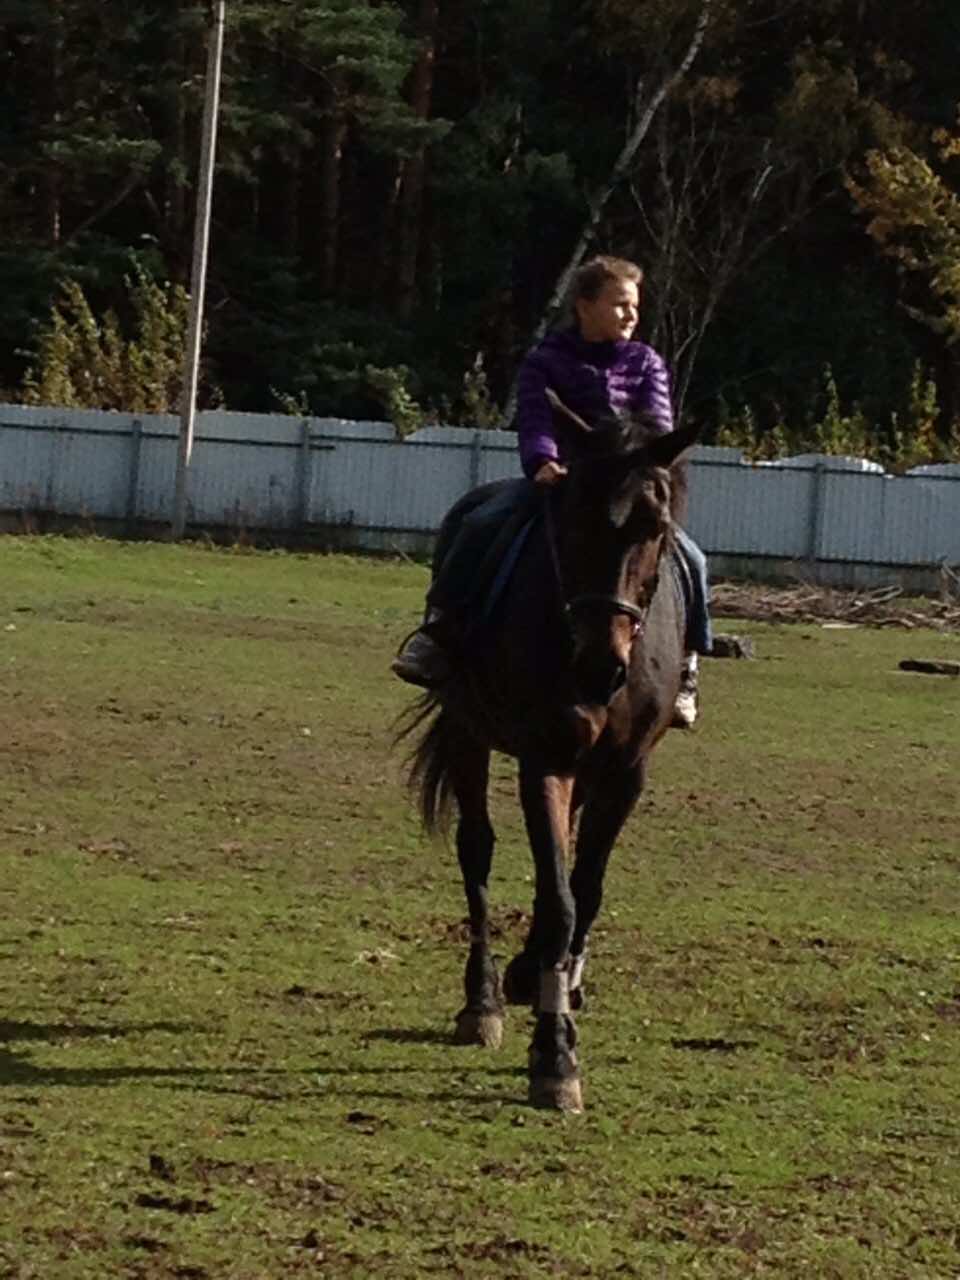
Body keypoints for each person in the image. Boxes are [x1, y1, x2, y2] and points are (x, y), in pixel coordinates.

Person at [392, 254, 711, 727]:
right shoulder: (546, 360)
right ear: (584, 305)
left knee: (693, 559)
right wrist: (543, 462)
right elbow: (536, 420)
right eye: (620, 304)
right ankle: (438, 635)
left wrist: (644, 467)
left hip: (626, 487)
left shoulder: (646, 362)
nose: (631, 314)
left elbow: (656, 426)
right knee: (478, 522)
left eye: (634, 306)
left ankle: (686, 667)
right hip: (563, 483)